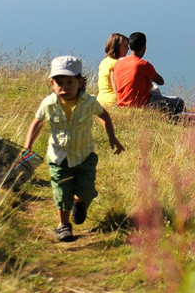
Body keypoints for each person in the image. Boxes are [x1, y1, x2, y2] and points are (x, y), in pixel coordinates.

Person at [23, 54, 125, 242]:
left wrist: (112, 138)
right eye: (59, 82)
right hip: (58, 158)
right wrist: (27, 146)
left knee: (86, 191)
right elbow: (37, 122)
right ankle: (63, 225)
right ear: (52, 84)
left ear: (80, 82)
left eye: (70, 82)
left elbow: (104, 116)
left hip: (84, 157)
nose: (65, 87)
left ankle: (80, 202)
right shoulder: (49, 104)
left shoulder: (89, 102)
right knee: (61, 193)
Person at [114, 31, 182, 112]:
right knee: (179, 102)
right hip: (141, 105)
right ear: (144, 47)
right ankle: (176, 119)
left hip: (121, 104)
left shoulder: (119, 62)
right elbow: (161, 81)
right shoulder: (143, 65)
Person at [96, 32, 128, 108]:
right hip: (112, 102)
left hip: (100, 100)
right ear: (117, 47)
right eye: (125, 46)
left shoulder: (104, 61)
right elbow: (116, 87)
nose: (128, 48)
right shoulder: (116, 64)